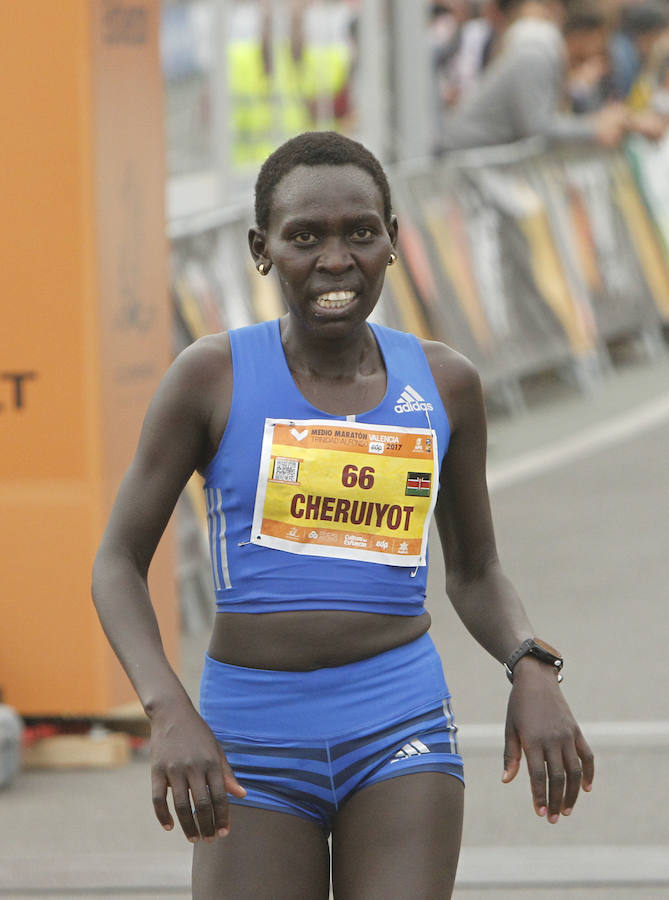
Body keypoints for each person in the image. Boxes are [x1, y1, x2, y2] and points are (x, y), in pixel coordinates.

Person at [92, 131, 594, 899]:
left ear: (393, 240)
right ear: (262, 250)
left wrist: (530, 665)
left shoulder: (444, 385)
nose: (335, 260)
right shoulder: (211, 377)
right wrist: (167, 712)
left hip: (399, 725)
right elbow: (117, 563)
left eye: (360, 232)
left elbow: (475, 569)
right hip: (250, 739)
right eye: (304, 237)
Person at [436, 0, 629, 152]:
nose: (600, 51)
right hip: (461, 157)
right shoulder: (536, 56)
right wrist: (593, 128)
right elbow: (537, 129)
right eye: (600, 40)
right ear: (583, 35)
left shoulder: (547, 56)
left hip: (478, 156)